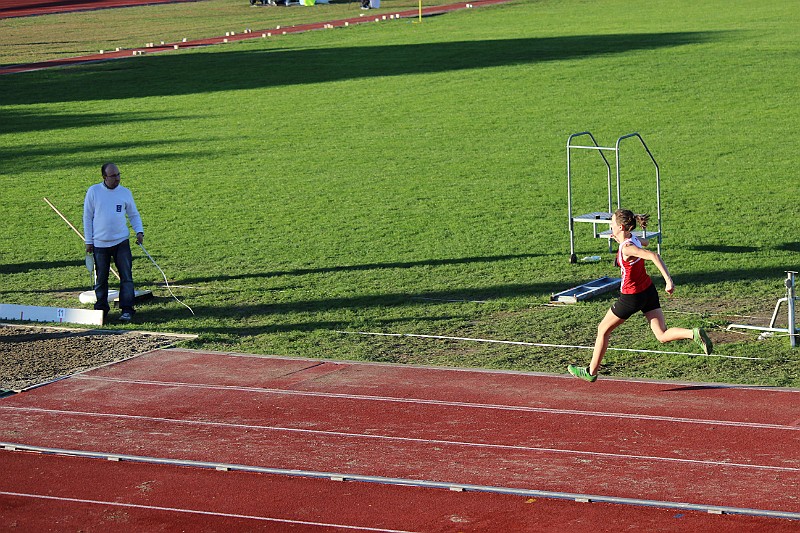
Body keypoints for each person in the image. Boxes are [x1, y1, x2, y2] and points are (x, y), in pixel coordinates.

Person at [568, 209, 712, 382]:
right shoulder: (632, 240)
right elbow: (645, 243)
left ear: (621, 226)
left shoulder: (628, 248)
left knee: (602, 330)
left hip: (631, 297)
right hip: (648, 290)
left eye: (612, 224)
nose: (610, 226)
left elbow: (653, 255)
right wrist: (621, 239)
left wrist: (668, 281)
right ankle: (693, 333)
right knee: (661, 334)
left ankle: (591, 372)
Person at [83, 163, 144, 322]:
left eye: (118, 174)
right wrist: (89, 241)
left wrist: (139, 231)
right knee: (101, 278)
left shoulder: (125, 193)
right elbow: (87, 217)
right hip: (100, 245)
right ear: (104, 177)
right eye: (113, 176)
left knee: (126, 277)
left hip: (121, 242)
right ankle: (101, 310)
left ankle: (127, 309)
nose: (117, 178)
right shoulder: (94, 192)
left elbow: (134, 214)